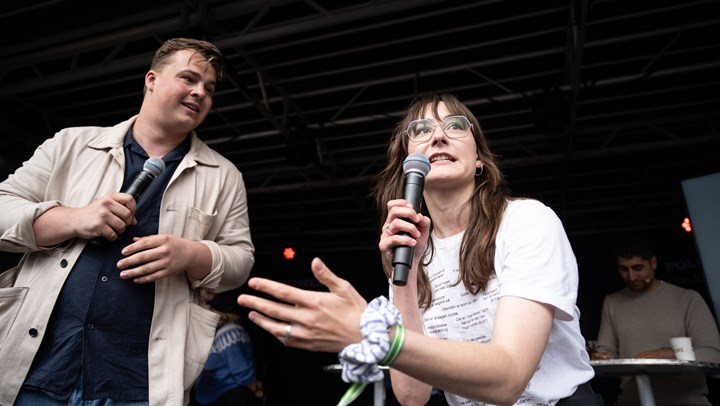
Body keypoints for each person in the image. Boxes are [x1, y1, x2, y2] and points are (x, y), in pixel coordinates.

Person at [237, 93, 603, 405]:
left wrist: (375, 334)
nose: (439, 136)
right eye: (422, 130)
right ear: (407, 164)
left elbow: (509, 378)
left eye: (456, 126)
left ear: (479, 160)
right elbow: (412, 396)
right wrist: (405, 277)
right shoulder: (410, 253)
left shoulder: (526, 221)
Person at [0, 38, 255, 406]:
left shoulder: (224, 175)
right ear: (151, 80)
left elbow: (240, 261)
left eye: (210, 89)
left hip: (137, 384)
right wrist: (74, 218)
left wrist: (191, 254)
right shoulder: (70, 144)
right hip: (37, 369)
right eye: (189, 79)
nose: (200, 93)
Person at [592, 236, 720, 405]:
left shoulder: (687, 299)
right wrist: (602, 357)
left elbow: (714, 355)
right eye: (623, 269)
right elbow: (607, 351)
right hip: (631, 400)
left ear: (653, 263)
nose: (631, 276)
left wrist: (672, 354)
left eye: (638, 268)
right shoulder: (612, 302)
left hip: (688, 401)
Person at [194, 290, 263, 406]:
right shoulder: (220, 332)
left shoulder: (229, 332)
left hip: (230, 395)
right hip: (218, 395)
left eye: (205, 305)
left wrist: (255, 390)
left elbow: (240, 369)